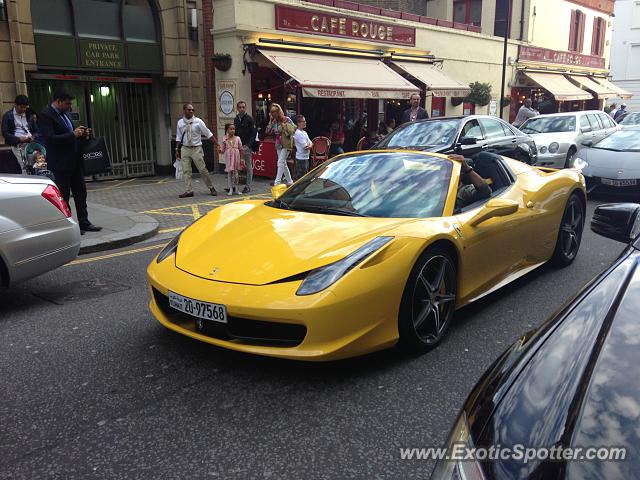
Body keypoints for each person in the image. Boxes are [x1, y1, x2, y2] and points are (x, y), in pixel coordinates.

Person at [38, 88, 101, 233]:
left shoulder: (64, 114)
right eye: (67, 103)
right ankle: (69, 226)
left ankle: (84, 222)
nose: (69, 107)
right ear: (58, 101)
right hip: (60, 164)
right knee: (64, 197)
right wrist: (73, 134)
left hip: (74, 162)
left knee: (81, 193)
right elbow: (51, 139)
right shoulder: (46, 115)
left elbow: (70, 135)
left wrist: (82, 134)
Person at [175, 103, 218, 198]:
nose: (191, 111)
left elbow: (208, 133)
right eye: (189, 110)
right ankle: (189, 190)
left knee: (202, 169)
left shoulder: (198, 122)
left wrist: (217, 144)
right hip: (185, 148)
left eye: (192, 110)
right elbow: (178, 136)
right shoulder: (180, 123)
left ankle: (211, 187)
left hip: (196, 148)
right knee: (186, 171)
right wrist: (177, 149)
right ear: (184, 110)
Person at [2, 95, 34, 173]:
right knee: (22, 166)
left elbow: (36, 130)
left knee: (33, 165)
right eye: (21, 107)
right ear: (15, 105)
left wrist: (33, 137)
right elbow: (5, 133)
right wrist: (18, 139)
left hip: (30, 144)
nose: (23, 109)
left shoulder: (29, 114)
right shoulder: (8, 115)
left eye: (25, 107)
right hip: (16, 145)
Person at [265, 103, 295, 186]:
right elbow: (268, 131)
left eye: (274, 112)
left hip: (286, 143)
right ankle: (290, 181)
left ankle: (277, 182)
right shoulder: (274, 121)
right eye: (271, 112)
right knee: (283, 163)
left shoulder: (287, 119)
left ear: (278, 112)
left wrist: (284, 127)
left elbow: (293, 129)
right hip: (278, 144)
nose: (273, 113)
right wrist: (270, 121)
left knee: (280, 162)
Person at [233, 101, 256, 193]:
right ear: (237, 109)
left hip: (246, 145)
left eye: (243, 107)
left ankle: (248, 186)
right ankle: (235, 185)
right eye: (240, 107)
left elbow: (253, 133)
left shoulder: (250, 119)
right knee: (235, 165)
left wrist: (248, 145)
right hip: (237, 145)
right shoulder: (236, 119)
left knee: (248, 165)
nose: (242, 109)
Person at [219, 124, 243, 196]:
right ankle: (231, 189)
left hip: (236, 157)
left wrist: (242, 159)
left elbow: (241, 149)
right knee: (229, 173)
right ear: (227, 130)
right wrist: (219, 150)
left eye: (234, 129)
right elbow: (223, 150)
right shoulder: (225, 139)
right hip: (229, 157)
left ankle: (237, 189)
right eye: (231, 129)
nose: (233, 130)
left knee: (236, 173)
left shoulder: (238, 138)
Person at [293, 115, 312, 180]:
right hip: (301, 158)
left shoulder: (304, 132)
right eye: (303, 121)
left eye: (305, 121)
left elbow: (311, 143)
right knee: (301, 177)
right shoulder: (298, 133)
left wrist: (310, 145)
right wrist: (309, 145)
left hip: (306, 156)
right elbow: (306, 146)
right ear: (298, 123)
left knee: (305, 175)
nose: (305, 123)